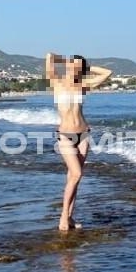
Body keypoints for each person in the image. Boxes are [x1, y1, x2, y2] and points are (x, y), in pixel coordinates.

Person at [45, 52, 112, 231]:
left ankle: (70, 217)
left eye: (78, 66)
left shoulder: (83, 85)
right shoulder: (57, 82)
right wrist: (67, 61)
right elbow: (49, 57)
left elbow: (107, 73)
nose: (74, 68)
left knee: (74, 178)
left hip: (83, 134)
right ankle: (63, 217)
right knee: (76, 174)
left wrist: (86, 67)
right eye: (72, 65)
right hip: (65, 136)